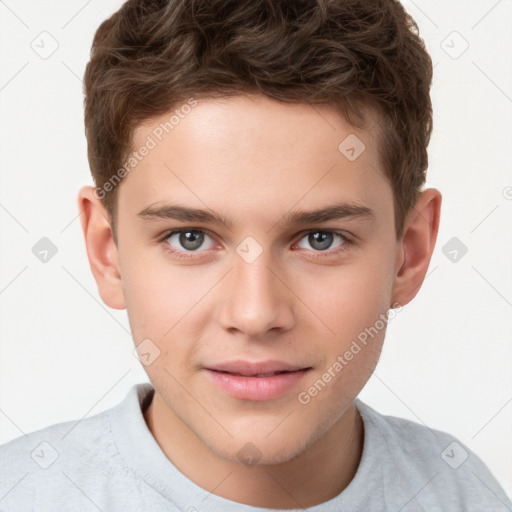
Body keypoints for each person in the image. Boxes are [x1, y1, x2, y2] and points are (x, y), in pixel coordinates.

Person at [0, 0, 510, 510]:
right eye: (190, 238)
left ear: (409, 252)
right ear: (107, 252)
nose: (255, 314)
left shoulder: (462, 494)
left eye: (320, 239)